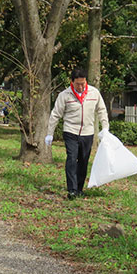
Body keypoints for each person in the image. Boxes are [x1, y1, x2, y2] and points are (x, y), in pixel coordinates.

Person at [45, 68, 109, 199]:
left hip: (88, 133)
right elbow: (55, 115)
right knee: (72, 159)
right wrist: (49, 133)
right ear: (72, 82)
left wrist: (105, 127)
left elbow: (102, 110)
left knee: (83, 161)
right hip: (70, 132)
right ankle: (72, 189)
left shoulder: (94, 93)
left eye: (83, 83)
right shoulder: (64, 95)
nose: (80, 86)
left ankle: (79, 188)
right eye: (78, 84)